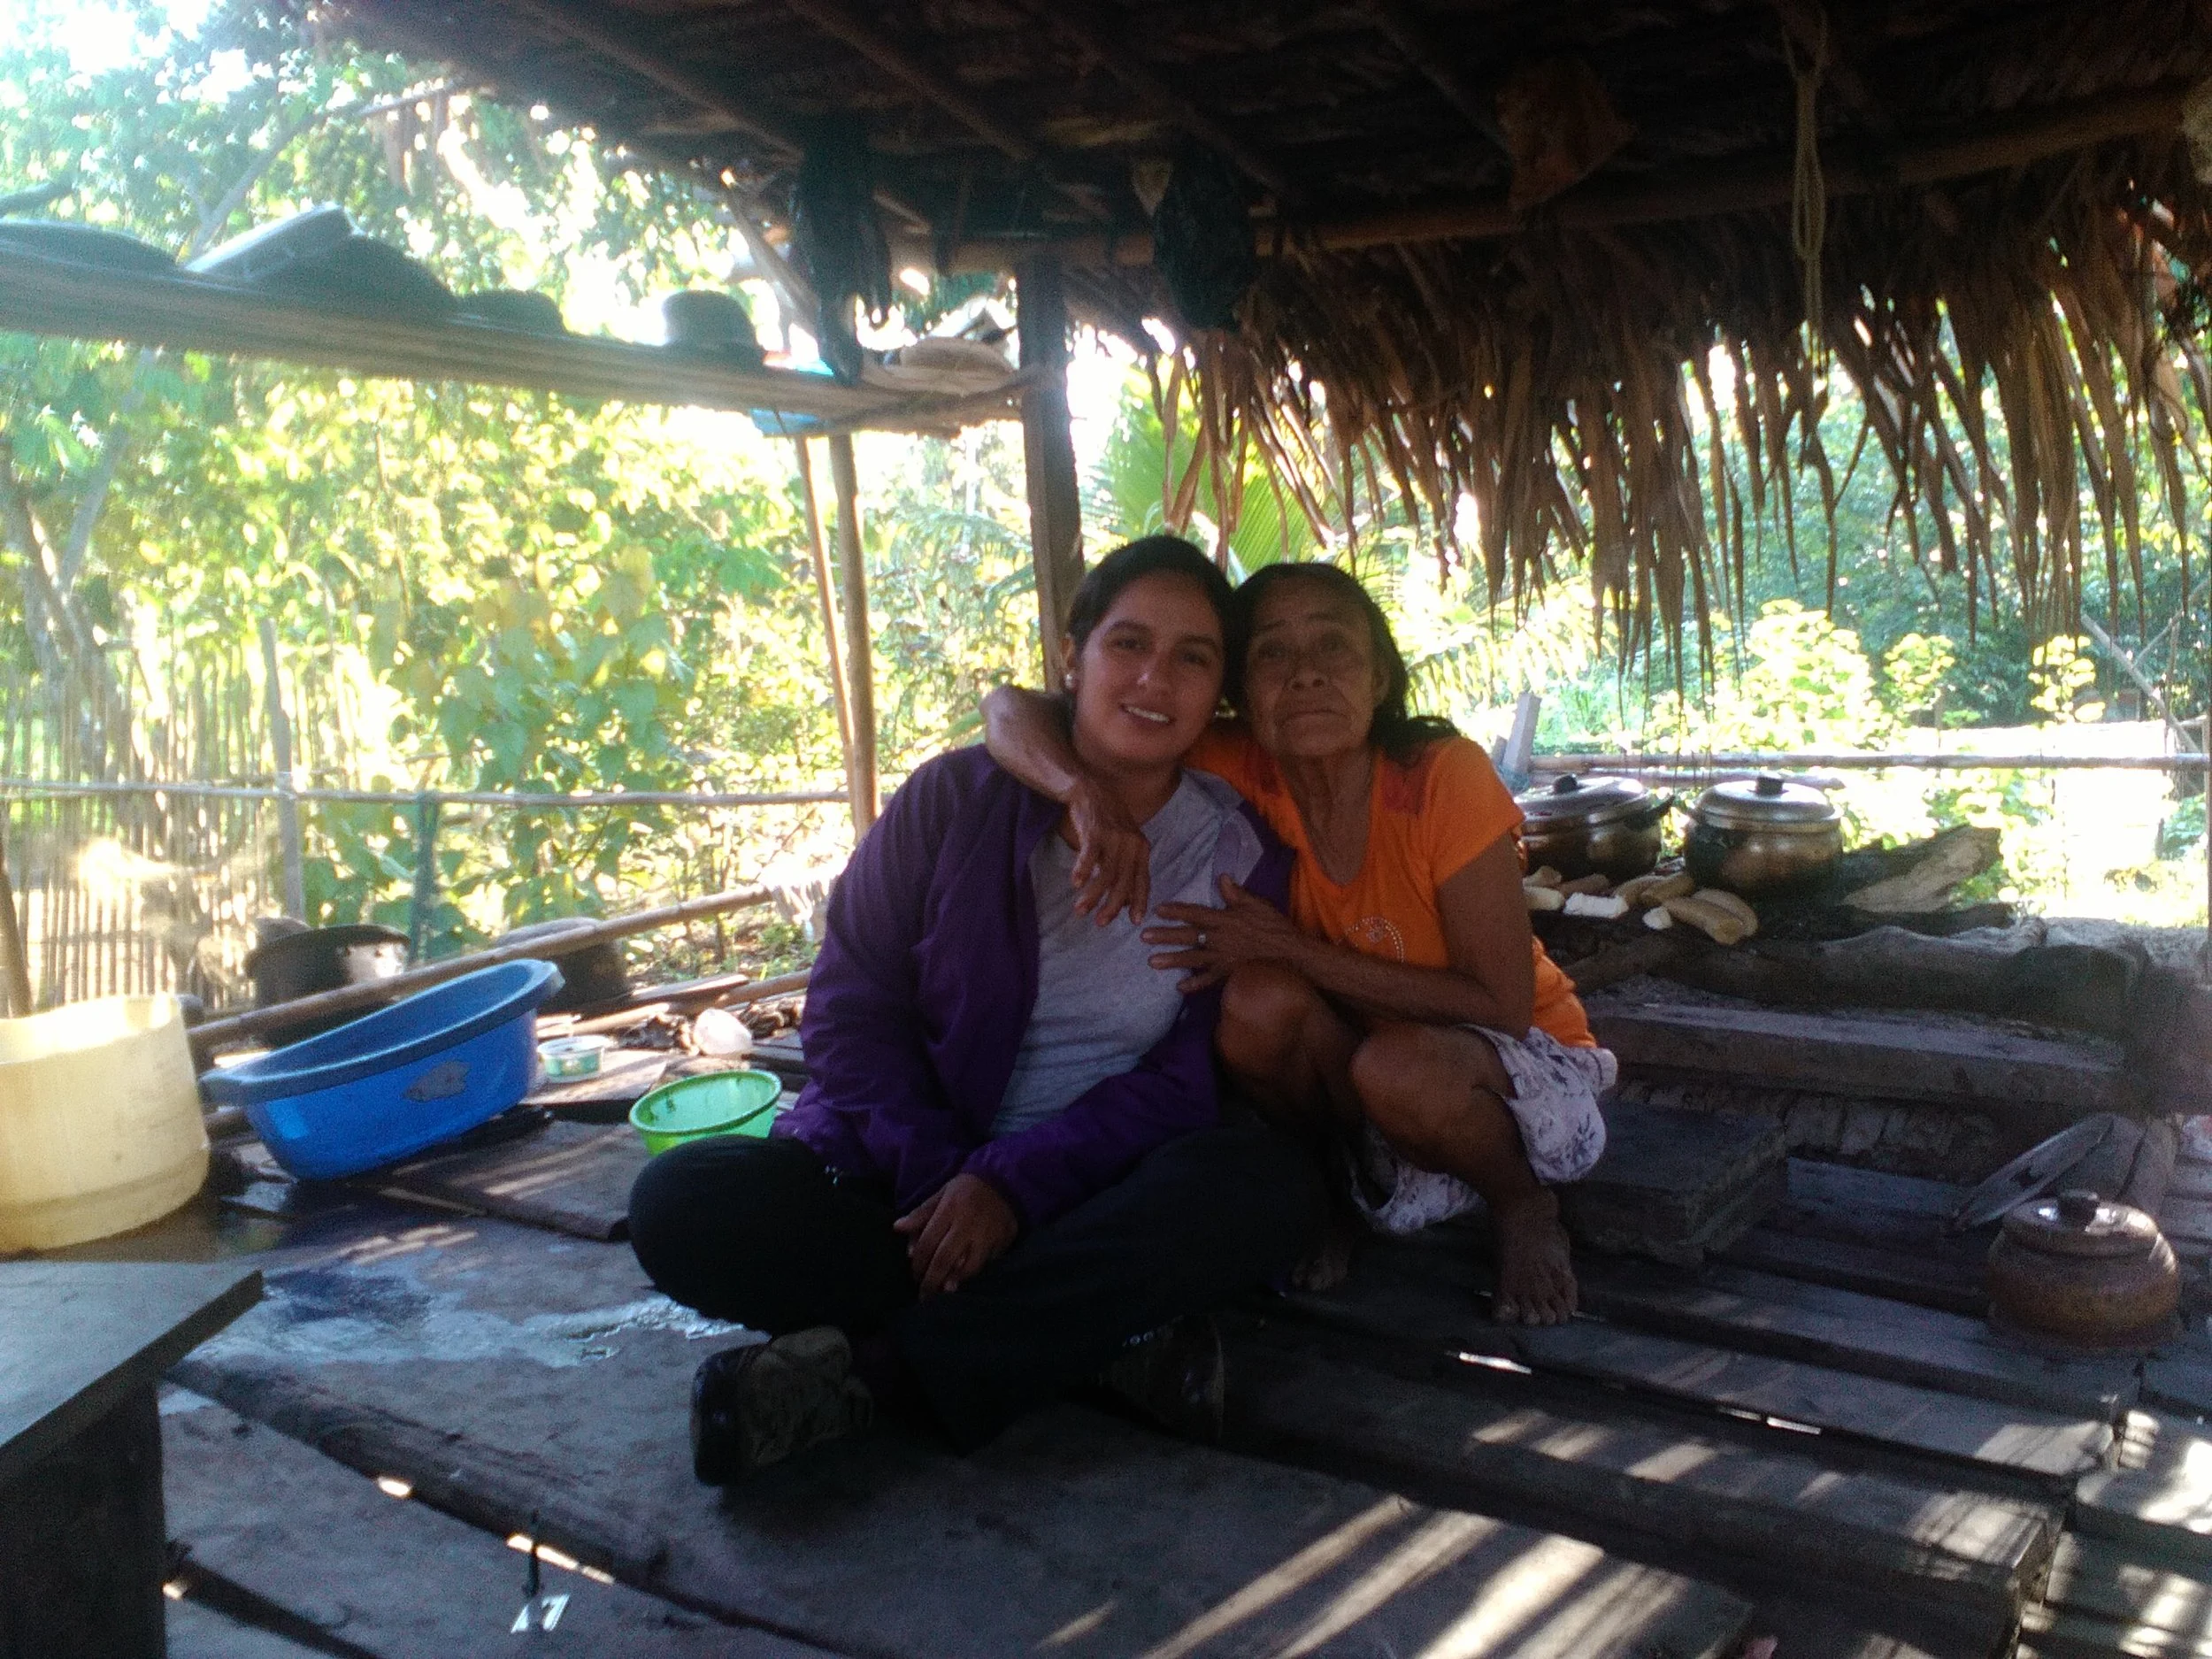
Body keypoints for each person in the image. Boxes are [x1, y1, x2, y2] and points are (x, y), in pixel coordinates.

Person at [628, 536, 1320, 1479]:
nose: (1155, 677)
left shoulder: (1235, 851)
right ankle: (1094, 1341)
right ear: (1072, 655)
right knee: (684, 1202)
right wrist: (946, 1182)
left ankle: (874, 1375)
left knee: (1262, 1185)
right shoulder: (952, 799)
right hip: (900, 1188)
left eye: (1193, 656)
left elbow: (1181, 1078)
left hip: (1091, 1189)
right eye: (1128, 643)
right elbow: (849, 1005)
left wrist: (1013, 1186)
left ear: (1216, 690)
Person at [984, 561, 1613, 1326]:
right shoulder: (1246, 764)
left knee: (1396, 1065)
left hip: (1515, 1068)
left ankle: (1521, 1203)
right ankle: (1337, 1188)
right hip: (1370, 1065)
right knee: (1251, 1005)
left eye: (1334, 648)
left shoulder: (1441, 778)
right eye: (1273, 654)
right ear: (1242, 695)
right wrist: (1081, 793)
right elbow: (1011, 708)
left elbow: (1504, 1005)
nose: (1307, 675)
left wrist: (1293, 948)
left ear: (1380, 676)